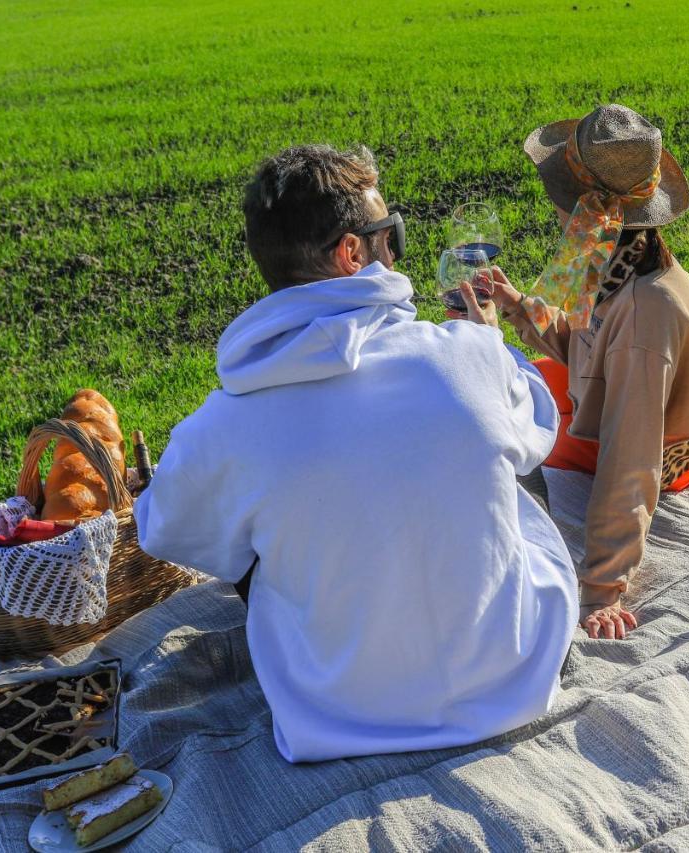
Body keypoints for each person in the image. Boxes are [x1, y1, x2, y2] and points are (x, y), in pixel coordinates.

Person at [135, 144, 578, 762]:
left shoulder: (225, 424)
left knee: (255, 527)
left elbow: (163, 528)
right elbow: (537, 421)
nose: (396, 251)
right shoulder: (464, 356)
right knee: (509, 474)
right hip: (512, 674)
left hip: (337, 709)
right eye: (389, 235)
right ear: (352, 252)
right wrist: (488, 347)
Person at [457, 105, 689, 641]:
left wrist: (602, 586)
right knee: (524, 384)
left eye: (560, 202)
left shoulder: (648, 312)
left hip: (670, 452)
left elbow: (633, 458)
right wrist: (518, 306)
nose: (555, 213)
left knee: (503, 412)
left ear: (590, 210)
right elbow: (581, 346)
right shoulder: (611, 257)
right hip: (628, 407)